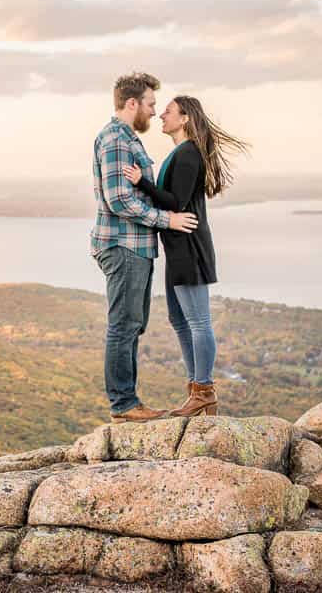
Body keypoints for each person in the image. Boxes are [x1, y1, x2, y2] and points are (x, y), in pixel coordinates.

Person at [126, 95, 249, 417]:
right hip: (177, 248)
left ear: (184, 119)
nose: (161, 116)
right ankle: (195, 389)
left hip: (189, 247)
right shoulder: (181, 153)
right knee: (179, 320)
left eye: (167, 112)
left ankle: (204, 390)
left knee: (197, 321)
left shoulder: (189, 153)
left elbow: (175, 201)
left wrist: (142, 183)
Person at [91, 72, 199, 423]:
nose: (154, 112)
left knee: (132, 324)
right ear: (132, 102)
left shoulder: (126, 138)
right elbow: (120, 199)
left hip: (135, 246)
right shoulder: (116, 140)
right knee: (123, 325)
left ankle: (128, 401)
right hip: (124, 244)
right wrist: (167, 220)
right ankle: (123, 405)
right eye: (151, 104)